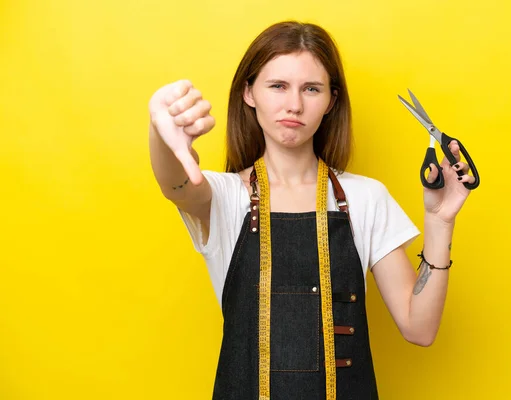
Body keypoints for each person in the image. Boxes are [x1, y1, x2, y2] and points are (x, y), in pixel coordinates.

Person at [148, 20, 474, 400]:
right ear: (249, 93)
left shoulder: (367, 198)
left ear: (331, 101)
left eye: (311, 89)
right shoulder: (224, 198)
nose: (295, 104)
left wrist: (439, 221)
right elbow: (177, 184)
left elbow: (419, 328)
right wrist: (160, 129)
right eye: (278, 86)